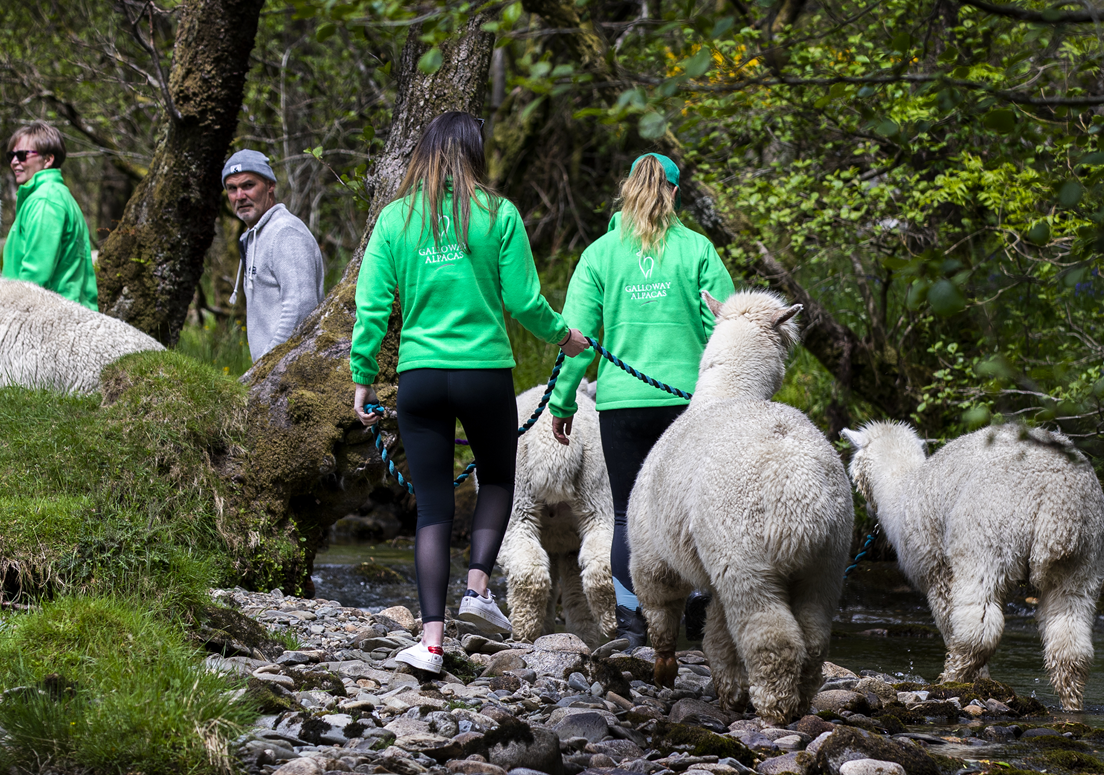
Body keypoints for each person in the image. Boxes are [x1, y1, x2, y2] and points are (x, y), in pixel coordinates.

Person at [350, 111, 590, 673]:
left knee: (432, 508)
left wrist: (362, 377)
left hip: (421, 377)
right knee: (499, 480)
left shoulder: (394, 220)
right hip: (485, 373)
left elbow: (371, 309)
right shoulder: (498, 214)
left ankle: (431, 645)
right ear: (473, 153)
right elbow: (526, 303)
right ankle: (477, 591)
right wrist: (565, 337)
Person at [548, 153, 735, 649]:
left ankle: (634, 626)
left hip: (622, 404)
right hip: (690, 405)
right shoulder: (698, 249)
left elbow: (575, 338)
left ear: (626, 188)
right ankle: (697, 617)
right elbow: (726, 329)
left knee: (628, 516)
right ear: (673, 192)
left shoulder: (600, 254)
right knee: (694, 512)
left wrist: (564, 400)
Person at [223, 149, 325, 360]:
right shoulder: (255, 236)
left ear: (270, 186)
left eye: (248, 185)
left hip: (291, 374)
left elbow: (301, 311)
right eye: (232, 189)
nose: (240, 196)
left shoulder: (286, 233)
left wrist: (264, 371)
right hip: (275, 374)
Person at [3, 122, 98, 310]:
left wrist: (7, 316)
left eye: (22, 155)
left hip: (50, 321)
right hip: (67, 315)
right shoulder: (58, 195)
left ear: (48, 160)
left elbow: (35, 276)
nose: (15, 162)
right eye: (11, 156)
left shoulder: (45, 201)